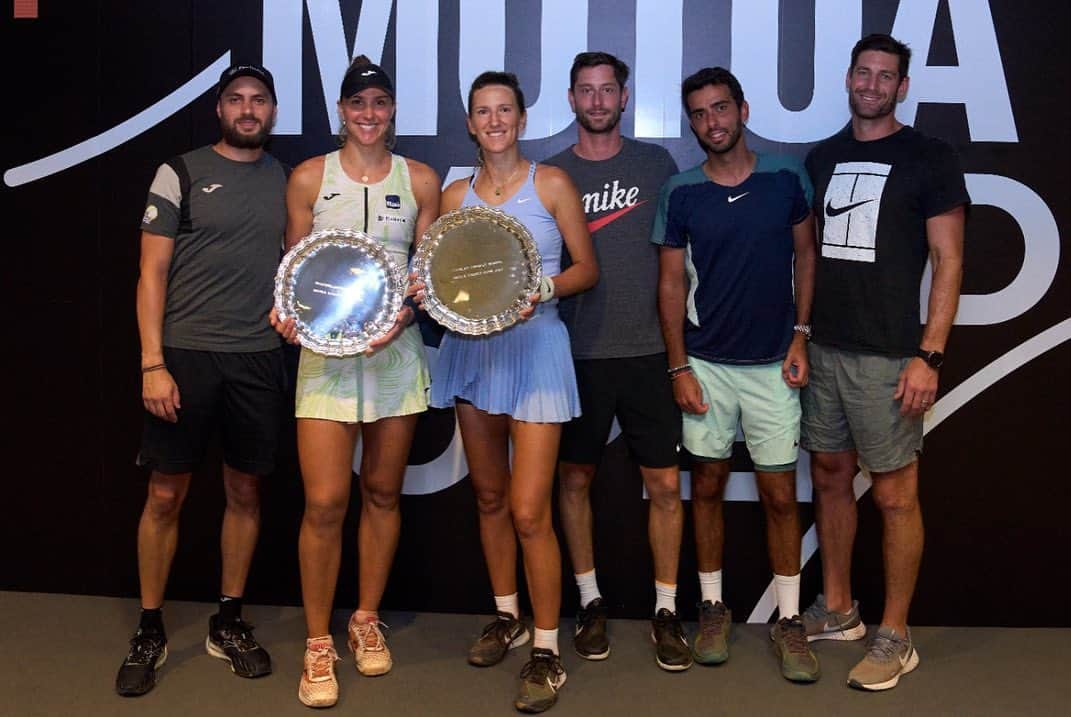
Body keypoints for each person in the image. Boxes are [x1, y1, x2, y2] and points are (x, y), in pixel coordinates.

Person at [270, 56, 440, 708]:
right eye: (357, 104)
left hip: (395, 357)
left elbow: (421, 275)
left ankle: (365, 618)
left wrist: (405, 310)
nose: (369, 114)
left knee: (382, 493)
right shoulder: (309, 176)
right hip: (326, 362)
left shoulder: (418, 178)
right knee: (322, 504)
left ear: (391, 110)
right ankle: (318, 641)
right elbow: (293, 268)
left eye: (379, 103)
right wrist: (287, 314)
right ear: (342, 111)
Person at [800, 33, 967, 691]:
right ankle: (838, 608)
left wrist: (929, 354)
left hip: (891, 356)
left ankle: (894, 634)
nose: (870, 84)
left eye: (884, 76)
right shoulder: (821, 157)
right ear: (849, 79)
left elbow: (949, 261)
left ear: (901, 87)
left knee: (895, 495)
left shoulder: (928, 157)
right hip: (825, 350)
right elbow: (809, 257)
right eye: (861, 72)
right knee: (830, 475)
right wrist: (802, 333)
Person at [427, 71, 597, 713]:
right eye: (482, 112)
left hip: (536, 352)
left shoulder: (551, 183)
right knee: (490, 497)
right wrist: (429, 292)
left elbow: (587, 269)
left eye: (504, 109)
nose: (494, 120)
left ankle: (547, 650)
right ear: (470, 124)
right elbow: (440, 276)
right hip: (473, 353)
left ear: (522, 119)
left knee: (530, 511)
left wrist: (542, 290)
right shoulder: (451, 196)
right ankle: (507, 616)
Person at [116, 63, 288, 697]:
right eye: (236, 100)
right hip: (184, 359)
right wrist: (152, 363)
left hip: (258, 359)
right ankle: (150, 626)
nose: (248, 110)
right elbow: (150, 275)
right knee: (166, 497)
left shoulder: (290, 181)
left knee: (245, 494)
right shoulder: (181, 172)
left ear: (272, 111)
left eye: (259, 100)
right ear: (220, 109)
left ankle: (229, 620)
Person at [652, 66, 820, 682]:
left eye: (720, 109)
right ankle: (713, 608)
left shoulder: (786, 176)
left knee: (779, 494)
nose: (711, 123)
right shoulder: (682, 191)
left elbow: (807, 254)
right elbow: (670, 283)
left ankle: (789, 620)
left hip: (775, 364)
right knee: (710, 488)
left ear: (743, 110)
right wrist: (678, 367)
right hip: (706, 367)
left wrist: (800, 337)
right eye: (698, 114)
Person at [541, 52, 687, 671]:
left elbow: (678, 264)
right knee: (574, 480)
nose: (597, 101)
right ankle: (590, 599)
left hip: (651, 351)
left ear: (624, 99)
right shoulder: (550, 174)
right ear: (571, 99)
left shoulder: (657, 165)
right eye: (586, 91)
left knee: (664, 485)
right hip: (576, 354)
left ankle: (665, 609)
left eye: (608, 91)